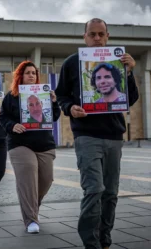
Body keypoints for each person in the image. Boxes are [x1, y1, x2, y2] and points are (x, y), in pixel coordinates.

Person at [55, 18, 139, 249]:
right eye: (92, 34)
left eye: (101, 34)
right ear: (84, 37)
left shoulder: (120, 62)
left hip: (113, 136)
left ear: (107, 36)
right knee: (94, 189)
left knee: (110, 193)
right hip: (86, 135)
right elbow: (61, 95)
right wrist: (70, 108)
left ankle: (104, 238)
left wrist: (130, 73)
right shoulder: (72, 63)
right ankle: (90, 243)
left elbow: (130, 99)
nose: (97, 38)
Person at [0, 61, 60, 233]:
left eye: (34, 72)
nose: (31, 75)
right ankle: (31, 219)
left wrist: (54, 102)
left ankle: (32, 206)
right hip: (20, 143)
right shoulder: (11, 96)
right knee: (28, 178)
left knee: (46, 180)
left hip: (44, 143)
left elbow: (54, 117)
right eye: (27, 73)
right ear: (20, 76)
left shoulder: (45, 94)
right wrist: (12, 125)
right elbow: (2, 117)